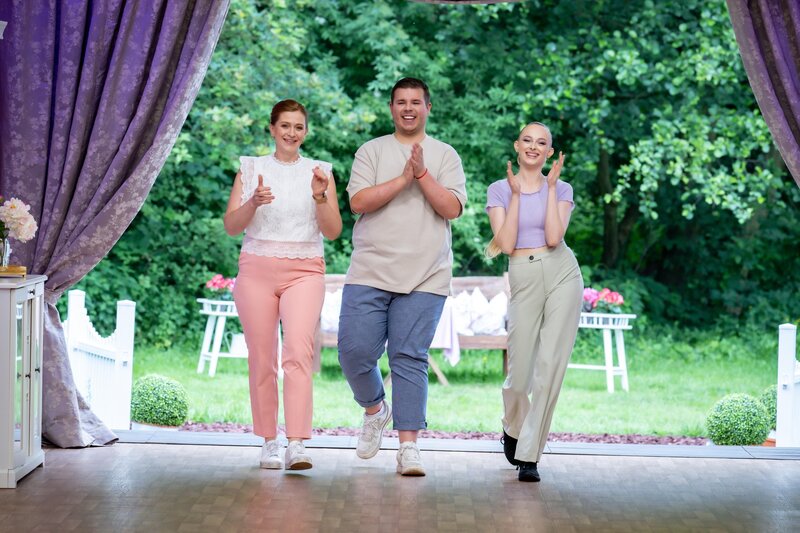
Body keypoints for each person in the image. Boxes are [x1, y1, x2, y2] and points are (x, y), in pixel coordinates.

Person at [337, 77, 467, 476]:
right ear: (392, 108)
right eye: (400, 102)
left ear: (428, 107)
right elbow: (358, 201)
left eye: (415, 102)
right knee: (354, 353)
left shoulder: (445, 155)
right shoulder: (371, 151)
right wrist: (403, 179)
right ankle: (375, 410)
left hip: (426, 275)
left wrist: (423, 174)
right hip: (370, 269)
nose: (408, 108)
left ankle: (408, 446)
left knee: (409, 357)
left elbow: (452, 209)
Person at [223, 99, 342, 470]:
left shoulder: (321, 172)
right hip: (256, 270)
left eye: (298, 127)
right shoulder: (250, 169)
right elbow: (232, 226)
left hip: (305, 271)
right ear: (272, 128)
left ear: (306, 132)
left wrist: (320, 195)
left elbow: (333, 231)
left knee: (298, 353)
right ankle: (269, 441)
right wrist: (253, 203)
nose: (292, 133)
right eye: (285, 126)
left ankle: (297, 443)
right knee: (262, 358)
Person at [485, 122, 583, 482]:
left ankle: (529, 455)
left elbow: (555, 237)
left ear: (549, 152)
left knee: (549, 366)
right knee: (520, 374)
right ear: (517, 146)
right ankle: (513, 426)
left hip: (562, 274)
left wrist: (552, 187)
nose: (533, 146)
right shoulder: (499, 190)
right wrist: (515, 195)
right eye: (527, 140)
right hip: (523, 274)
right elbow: (506, 244)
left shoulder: (562, 188)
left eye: (541, 143)